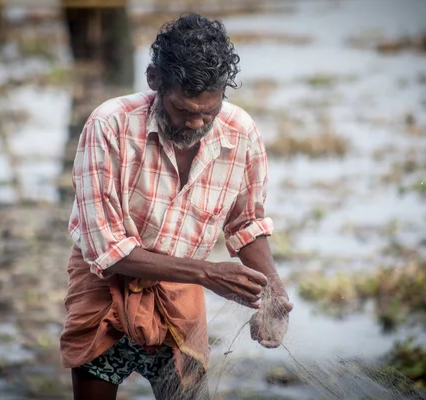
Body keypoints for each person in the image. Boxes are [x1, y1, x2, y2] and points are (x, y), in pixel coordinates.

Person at [60, 13, 293, 400]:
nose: (196, 123)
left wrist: (273, 288)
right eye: (184, 110)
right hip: (104, 292)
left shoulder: (241, 134)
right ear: (155, 81)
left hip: (180, 292)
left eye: (210, 111)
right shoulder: (109, 127)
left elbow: (246, 223)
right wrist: (207, 274)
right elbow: (106, 249)